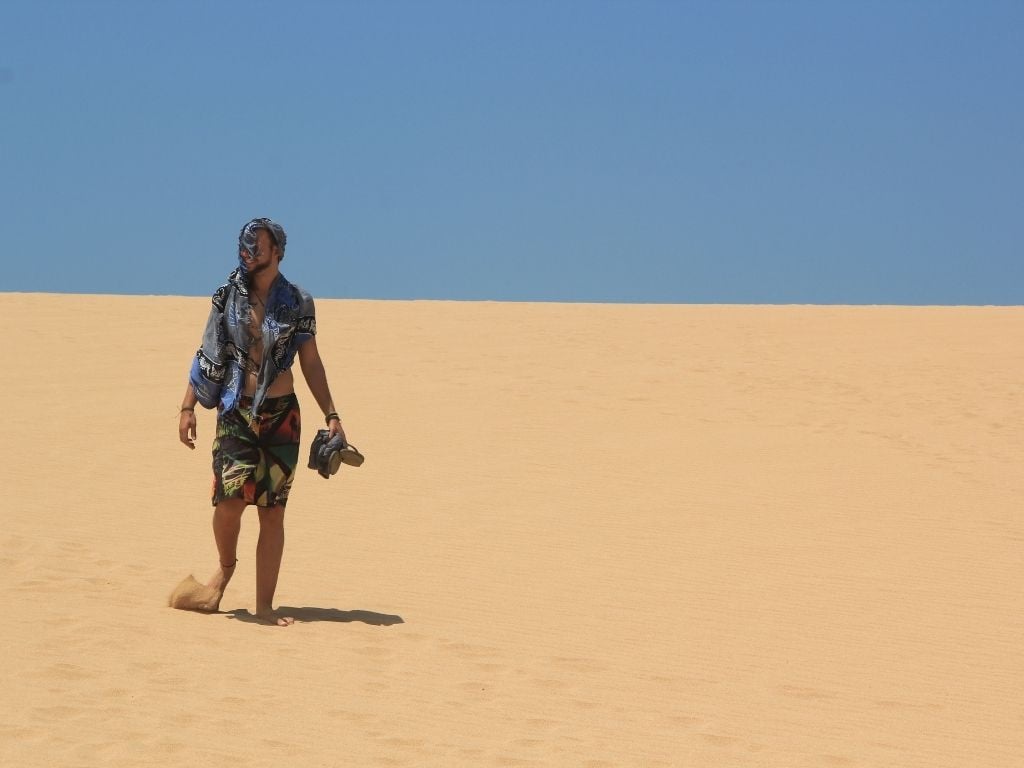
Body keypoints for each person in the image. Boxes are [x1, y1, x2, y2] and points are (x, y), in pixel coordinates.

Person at [170, 217, 346, 626]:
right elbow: (207, 354)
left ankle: (264, 607)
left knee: (272, 511)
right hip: (236, 410)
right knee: (229, 501)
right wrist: (186, 407)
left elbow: (312, 362)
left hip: (283, 415)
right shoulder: (226, 297)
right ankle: (224, 569)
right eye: (243, 246)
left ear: (277, 251)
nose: (247, 253)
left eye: (256, 246)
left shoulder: (298, 301)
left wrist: (332, 414)